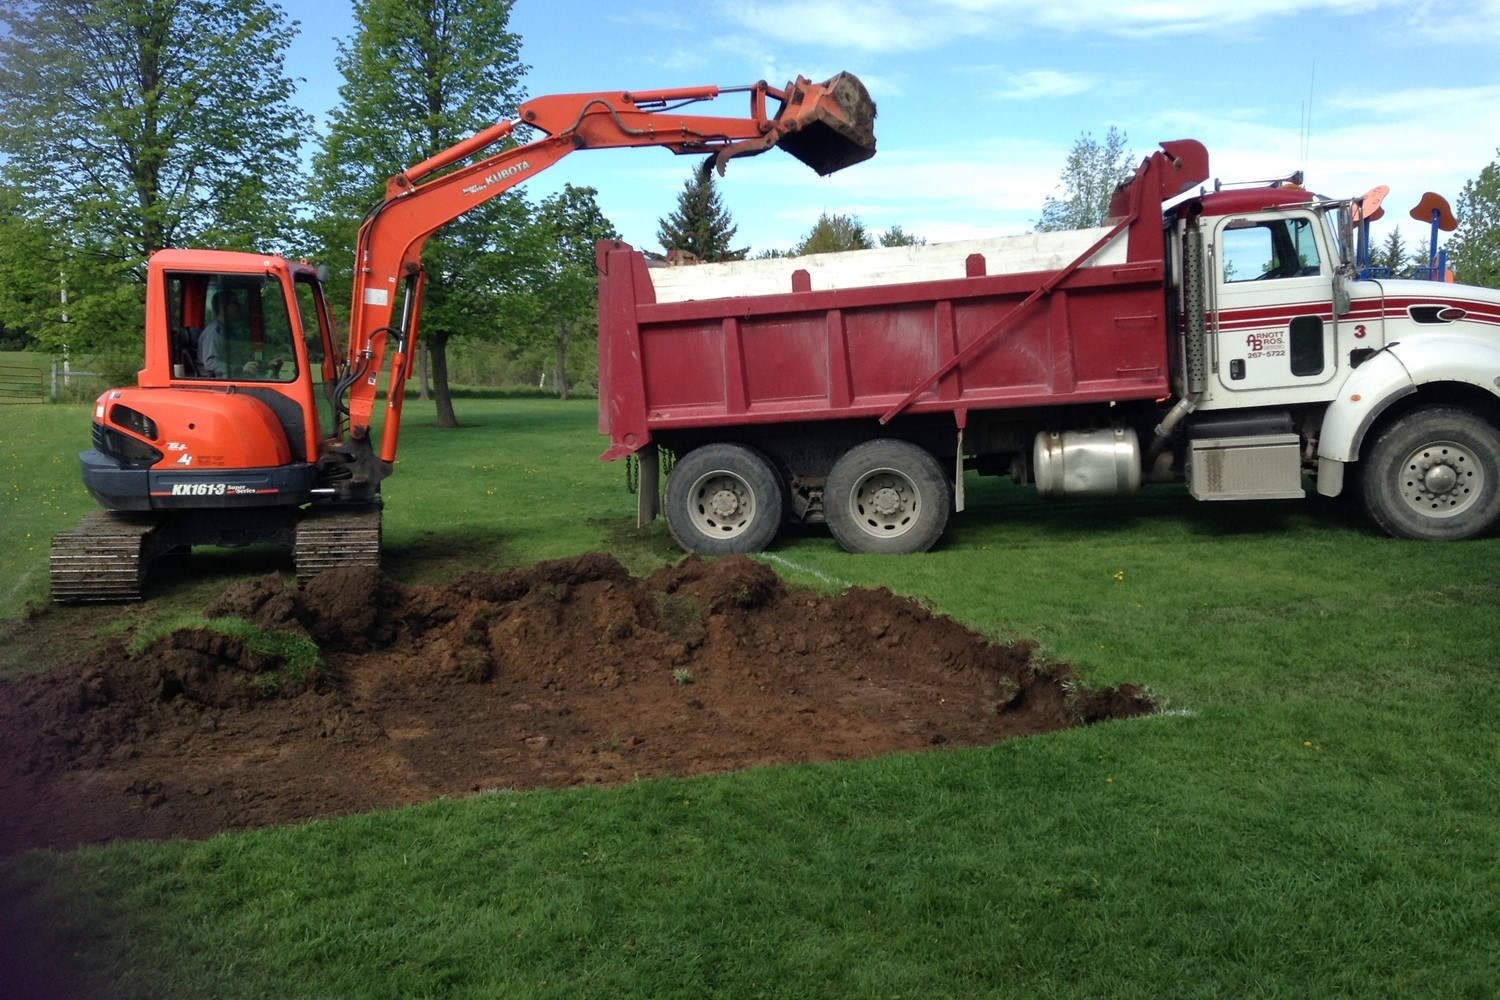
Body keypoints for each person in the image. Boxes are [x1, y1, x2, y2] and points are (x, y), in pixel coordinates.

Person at [198, 292, 240, 378]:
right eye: (236, 303)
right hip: (217, 383)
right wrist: (239, 369)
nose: (240, 307)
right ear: (222, 308)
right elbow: (210, 363)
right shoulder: (213, 333)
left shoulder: (230, 332)